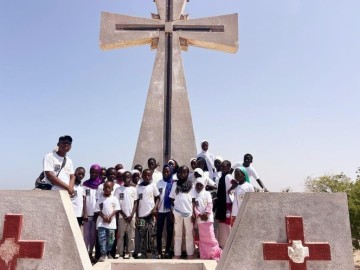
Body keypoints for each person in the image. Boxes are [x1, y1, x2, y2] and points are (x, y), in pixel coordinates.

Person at [169, 166, 196, 259]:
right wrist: (171, 212)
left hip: (188, 213)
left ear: (188, 174)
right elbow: (172, 199)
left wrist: (193, 213)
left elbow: (193, 200)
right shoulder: (175, 185)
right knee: (178, 234)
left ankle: (190, 254)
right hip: (177, 213)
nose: (183, 174)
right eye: (181, 172)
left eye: (185, 172)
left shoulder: (191, 185)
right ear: (178, 173)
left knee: (189, 234)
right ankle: (177, 254)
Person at [194, 178, 222, 261]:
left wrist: (206, 213)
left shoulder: (207, 194)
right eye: (197, 184)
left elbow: (210, 204)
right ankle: (205, 255)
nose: (199, 186)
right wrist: (199, 215)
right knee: (202, 239)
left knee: (211, 237)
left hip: (208, 219)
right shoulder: (194, 195)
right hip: (200, 220)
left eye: (201, 184)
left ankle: (215, 254)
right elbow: (194, 207)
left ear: (204, 185)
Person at [136, 169, 160, 259]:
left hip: (151, 215)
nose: (147, 177)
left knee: (153, 234)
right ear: (142, 176)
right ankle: (143, 253)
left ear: (151, 177)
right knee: (142, 235)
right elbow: (137, 202)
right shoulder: (138, 188)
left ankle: (154, 253)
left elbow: (158, 198)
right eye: (145, 175)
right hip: (141, 217)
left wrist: (155, 208)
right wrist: (137, 216)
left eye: (148, 175)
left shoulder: (153, 186)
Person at [95, 181, 120, 262]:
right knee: (102, 239)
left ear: (112, 189)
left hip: (111, 223)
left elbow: (116, 209)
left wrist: (109, 217)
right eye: (105, 187)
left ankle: (109, 252)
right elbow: (98, 210)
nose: (106, 189)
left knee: (111, 239)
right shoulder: (100, 199)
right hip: (101, 223)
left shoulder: (114, 199)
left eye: (109, 187)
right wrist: (104, 217)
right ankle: (103, 254)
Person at [115, 171, 138, 259]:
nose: (126, 179)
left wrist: (132, 214)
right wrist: (124, 215)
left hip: (132, 217)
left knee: (131, 236)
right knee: (121, 236)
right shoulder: (118, 190)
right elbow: (117, 204)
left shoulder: (134, 189)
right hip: (122, 217)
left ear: (131, 178)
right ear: (122, 179)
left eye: (128, 177)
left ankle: (130, 253)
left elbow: (135, 203)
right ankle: (120, 254)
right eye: (125, 177)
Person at [83, 164, 103, 260]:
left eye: (96, 172)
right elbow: (84, 199)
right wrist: (85, 213)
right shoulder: (85, 184)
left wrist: (98, 213)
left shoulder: (101, 185)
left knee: (93, 235)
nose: (93, 174)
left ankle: (91, 252)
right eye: (92, 172)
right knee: (86, 234)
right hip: (87, 214)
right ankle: (85, 253)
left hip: (96, 215)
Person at [156, 165, 174, 259]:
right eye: (164, 172)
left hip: (169, 211)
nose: (166, 173)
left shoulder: (173, 183)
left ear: (171, 172)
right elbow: (156, 197)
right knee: (159, 232)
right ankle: (159, 251)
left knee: (169, 231)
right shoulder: (159, 183)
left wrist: (172, 210)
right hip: (160, 211)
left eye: (167, 172)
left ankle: (167, 251)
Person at [215, 160, 233, 248]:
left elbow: (231, 191)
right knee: (221, 225)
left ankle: (230, 244)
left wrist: (229, 205)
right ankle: (222, 244)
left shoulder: (228, 177)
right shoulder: (222, 177)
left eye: (224, 166)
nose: (222, 168)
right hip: (221, 204)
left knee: (227, 225)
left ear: (229, 167)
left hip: (227, 204)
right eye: (221, 166)